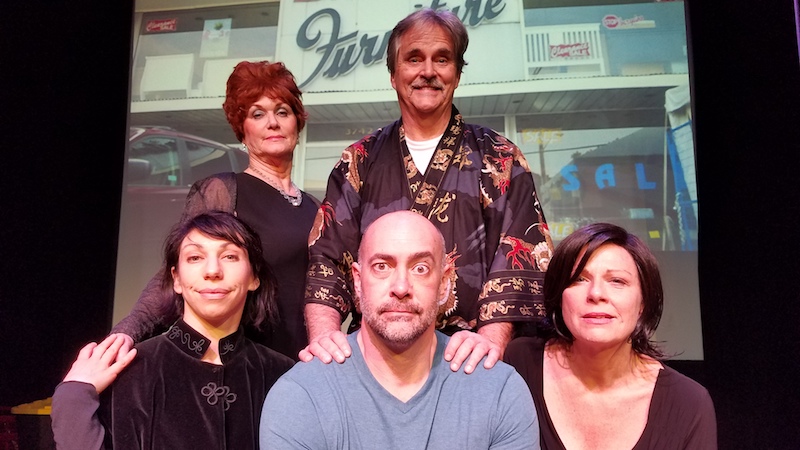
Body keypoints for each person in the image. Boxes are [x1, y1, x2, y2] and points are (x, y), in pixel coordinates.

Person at [302, 8, 552, 373]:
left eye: (442, 59)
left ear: (458, 73)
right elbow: (326, 259)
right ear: (393, 74)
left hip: (468, 360)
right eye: (414, 59)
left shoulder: (499, 156)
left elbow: (522, 253)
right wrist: (323, 339)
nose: (428, 72)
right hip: (375, 361)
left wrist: (489, 345)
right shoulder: (358, 160)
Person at [260, 211, 539, 449]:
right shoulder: (301, 395)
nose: (401, 287)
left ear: (444, 283)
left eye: (420, 268)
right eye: (382, 266)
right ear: (357, 281)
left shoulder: (499, 390)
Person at [113, 60, 318, 360]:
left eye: (282, 112)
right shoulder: (223, 191)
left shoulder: (313, 207)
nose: (272, 122)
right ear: (242, 130)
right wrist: (124, 334)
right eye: (257, 114)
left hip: (301, 365)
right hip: (240, 363)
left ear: (297, 124)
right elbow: (177, 274)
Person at [51, 211, 296, 449]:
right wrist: (73, 396)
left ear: (254, 277)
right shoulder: (128, 373)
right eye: (195, 258)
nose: (212, 271)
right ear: (176, 279)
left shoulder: (283, 376)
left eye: (230, 256)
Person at [503, 223, 717, 450]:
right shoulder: (520, 362)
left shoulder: (689, 403)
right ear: (560, 296)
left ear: (643, 302)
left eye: (617, 281)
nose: (596, 294)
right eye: (579, 279)